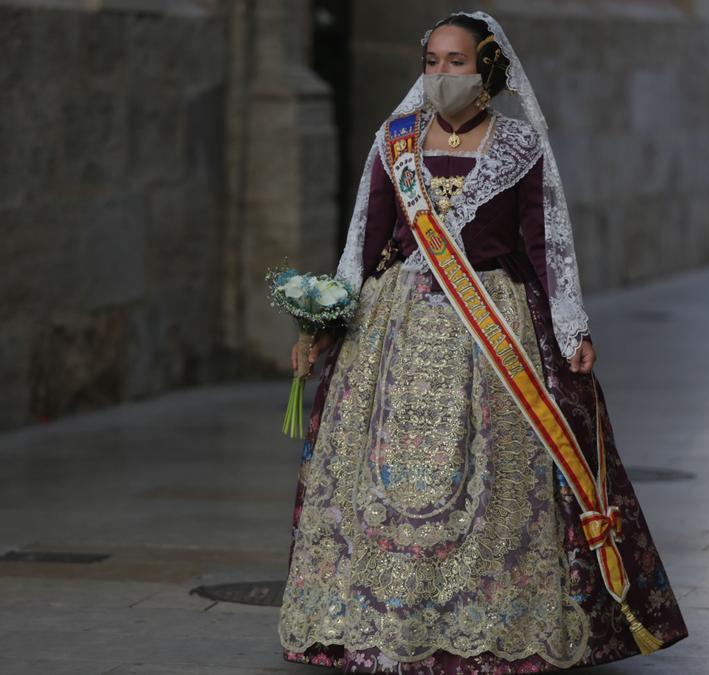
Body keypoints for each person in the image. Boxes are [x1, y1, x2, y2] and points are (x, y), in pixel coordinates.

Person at [277, 11, 687, 673]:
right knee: (382, 480)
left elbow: (545, 245)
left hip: (491, 328)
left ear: (487, 70)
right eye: (431, 61)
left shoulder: (518, 147)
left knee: (492, 479)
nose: (441, 75)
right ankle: (374, 620)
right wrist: (324, 322)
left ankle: (486, 622)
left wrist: (569, 325)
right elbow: (365, 238)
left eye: (456, 62)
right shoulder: (396, 141)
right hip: (396, 331)